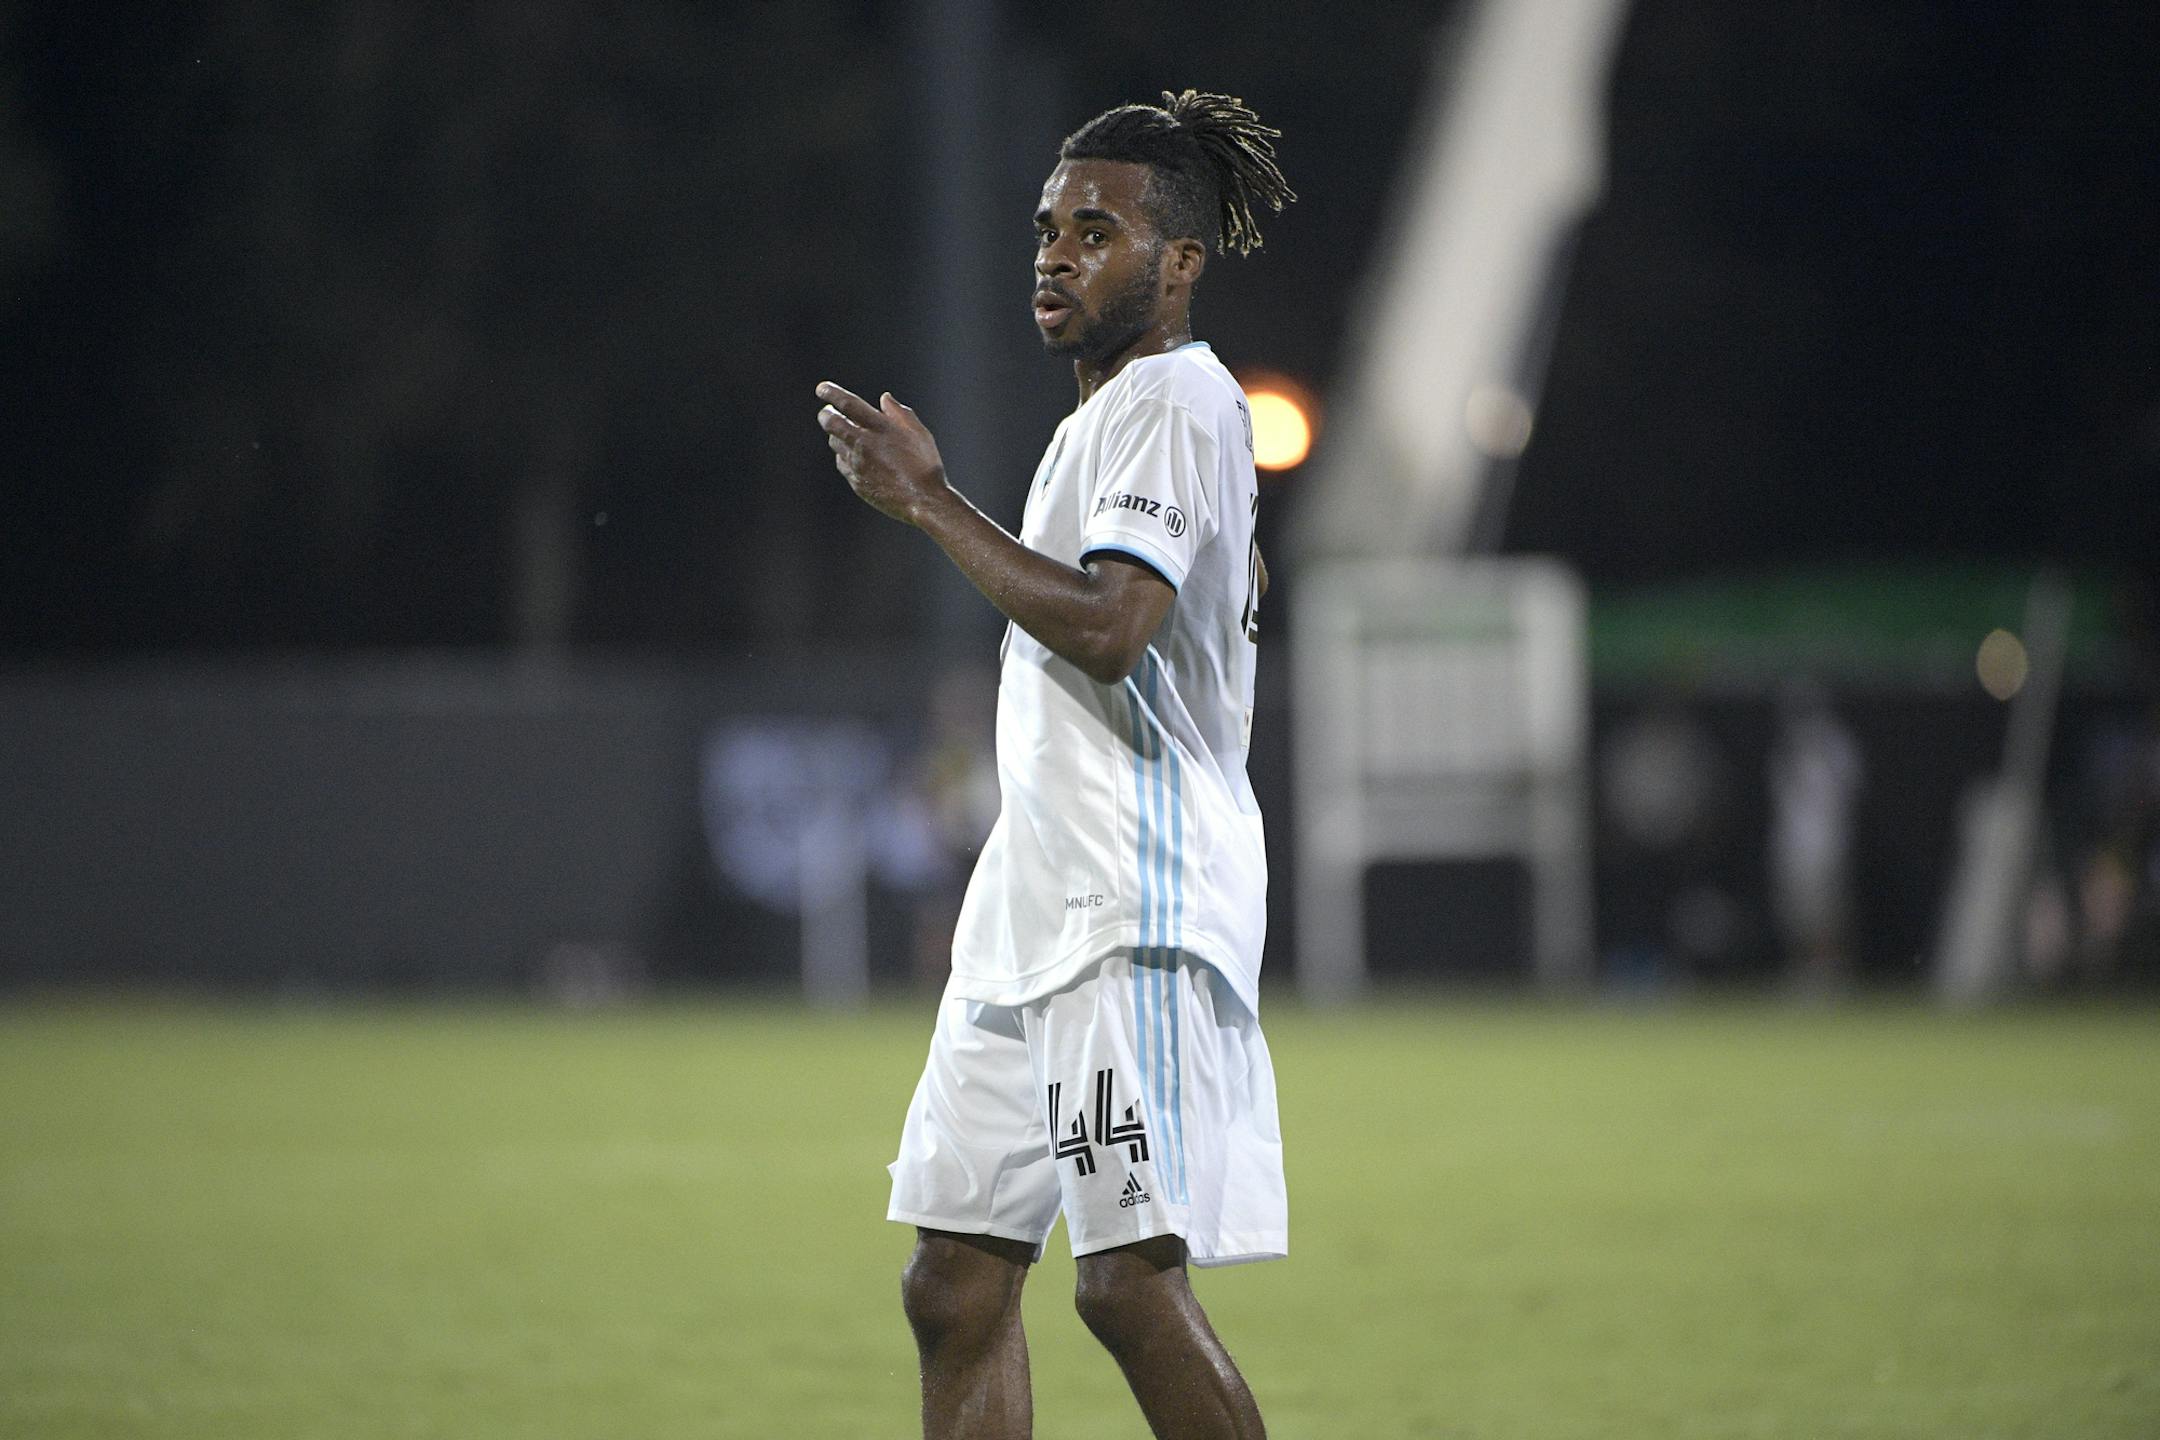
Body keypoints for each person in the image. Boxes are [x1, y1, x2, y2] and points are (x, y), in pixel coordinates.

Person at [814, 89, 1293, 1440]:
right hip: (1035, 903)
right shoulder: (1111, 423)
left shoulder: (1174, 402)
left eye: (1098, 230)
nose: (1057, 255)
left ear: (1181, 261)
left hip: (1126, 905)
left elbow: (1111, 627)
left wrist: (926, 498)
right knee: (954, 1280)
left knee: (1128, 1288)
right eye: (1047, 229)